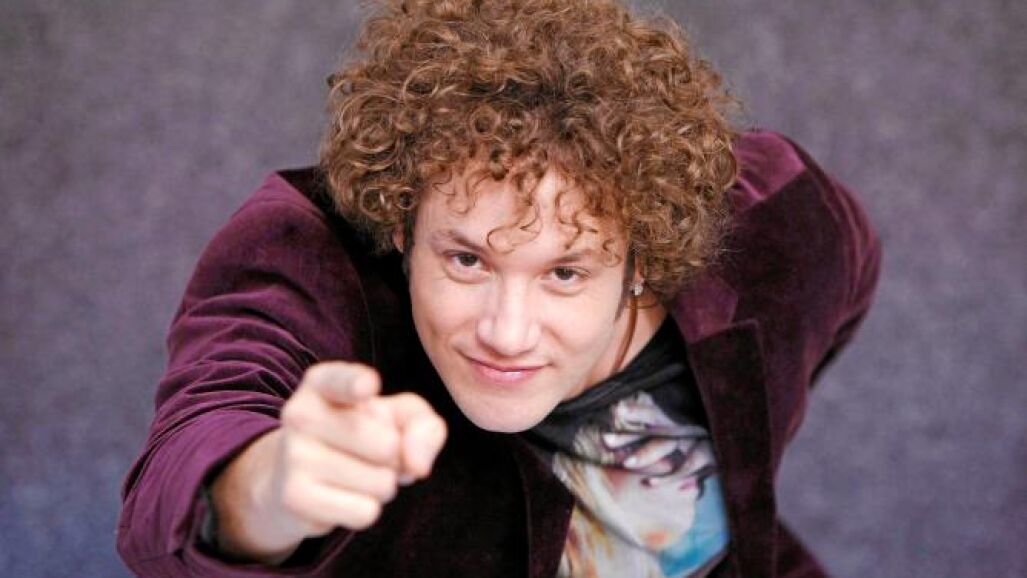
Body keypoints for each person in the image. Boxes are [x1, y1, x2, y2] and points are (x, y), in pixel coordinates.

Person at [116, 0, 881, 576]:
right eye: (467, 261)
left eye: (564, 273)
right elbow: (185, 466)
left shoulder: (779, 222)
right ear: (401, 221)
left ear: (642, 257)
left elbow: (842, 291)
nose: (505, 334)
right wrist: (268, 487)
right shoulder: (300, 258)